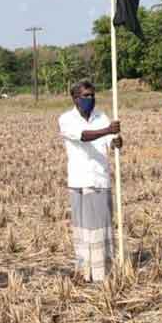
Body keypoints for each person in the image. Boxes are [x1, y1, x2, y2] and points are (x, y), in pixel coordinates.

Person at [58, 80, 121, 282]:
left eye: (92, 95)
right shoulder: (66, 119)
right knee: (84, 228)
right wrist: (108, 131)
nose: (90, 99)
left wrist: (116, 141)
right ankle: (85, 270)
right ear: (75, 98)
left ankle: (103, 272)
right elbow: (83, 136)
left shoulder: (101, 117)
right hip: (79, 179)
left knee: (101, 226)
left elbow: (110, 141)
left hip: (100, 178)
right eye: (86, 96)